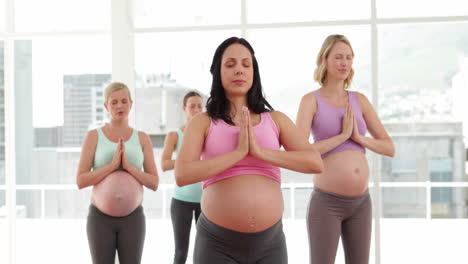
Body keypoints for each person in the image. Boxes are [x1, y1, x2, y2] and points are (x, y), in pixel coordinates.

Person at [175, 36, 323, 264]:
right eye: (230, 64)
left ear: (254, 72)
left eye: (246, 64)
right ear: (217, 71)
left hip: (270, 244)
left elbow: (314, 162)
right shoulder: (203, 122)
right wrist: (237, 153)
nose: (239, 70)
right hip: (216, 244)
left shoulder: (276, 119)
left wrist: (260, 152)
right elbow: (183, 174)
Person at [295, 34, 395, 264]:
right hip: (326, 203)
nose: (344, 63)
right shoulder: (310, 101)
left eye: (349, 58)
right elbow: (300, 154)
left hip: (361, 203)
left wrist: (359, 137)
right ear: (324, 59)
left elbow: (389, 147)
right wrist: (342, 136)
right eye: (338, 57)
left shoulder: (359, 100)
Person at [76, 82, 159, 264]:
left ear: (131, 103)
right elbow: (81, 180)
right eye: (114, 102)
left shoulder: (142, 138)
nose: (119, 106)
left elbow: (154, 183)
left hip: (133, 218)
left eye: (124, 101)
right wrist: (112, 165)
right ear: (106, 106)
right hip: (100, 218)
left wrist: (129, 167)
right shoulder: (94, 136)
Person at [161, 91, 204, 264]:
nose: (196, 109)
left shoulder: (209, 134)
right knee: (181, 253)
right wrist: (186, 160)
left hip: (206, 201)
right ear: (184, 109)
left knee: (203, 253)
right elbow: (164, 164)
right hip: (181, 202)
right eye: (192, 106)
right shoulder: (174, 136)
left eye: (199, 106)